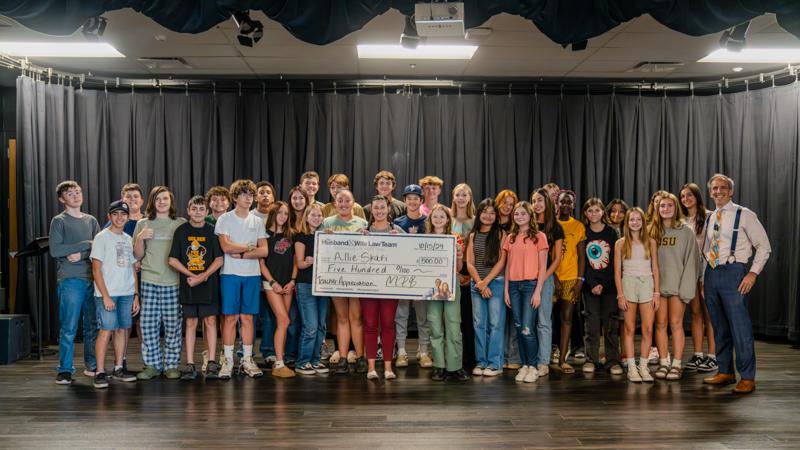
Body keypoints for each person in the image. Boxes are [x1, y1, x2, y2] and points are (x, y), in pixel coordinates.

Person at [702, 174, 771, 394]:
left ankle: (748, 377)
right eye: (714, 188)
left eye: (723, 188)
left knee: (740, 327)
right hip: (712, 273)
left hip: (734, 272)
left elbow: (764, 246)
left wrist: (752, 273)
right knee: (719, 326)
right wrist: (704, 278)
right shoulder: (711, 217)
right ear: (711, 192)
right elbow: (706, 249)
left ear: (730, 191)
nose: (718, 191)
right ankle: (725, 371)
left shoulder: (745, 214)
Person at [215, 179, 268, 379]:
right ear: (235, 197)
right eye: (244, 194)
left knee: (248, 318)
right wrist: (249, 246)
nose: (249, 198)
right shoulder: (225, 219)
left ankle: (247, 359)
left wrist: (243, 251)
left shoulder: (257, 221)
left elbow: (264, 250)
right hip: (230, 274)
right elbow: (226, 248)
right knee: (230, 318)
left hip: (252, 275)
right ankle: (228, 360)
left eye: (251, 195)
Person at [133, 186, 187, 381]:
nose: (162, 202)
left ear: (171, 201)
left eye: (165, 199)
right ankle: (152, 365)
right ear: (152, 202)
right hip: (149, 279)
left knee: (173, 325)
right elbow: (137, 255)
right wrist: (140, 238)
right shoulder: (143, 224)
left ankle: (172, 365)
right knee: (148, 325)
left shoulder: (180, 223)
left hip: (173, 280)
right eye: (158, 199)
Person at [168, 196, 224, 380]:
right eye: (195, 209)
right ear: (189, 210)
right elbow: (172, 259)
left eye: (202, 209)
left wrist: (203, 276)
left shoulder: (212, 231)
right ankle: (190, 364)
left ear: (207, 212)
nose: (198, 212)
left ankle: (212, 363)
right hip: (189, 284)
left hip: (208, 285)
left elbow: (219, 259)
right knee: (191, 323)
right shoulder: (181, 231)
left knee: (210, 322)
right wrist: (191, 275)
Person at [50, 181, 101, 385]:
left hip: (94, 278)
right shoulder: (59, 221)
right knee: (69, 327)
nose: (76, 195)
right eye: (70, 194)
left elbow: (100, 247)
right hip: (71, 280)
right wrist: (86, 244)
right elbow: (55, 250)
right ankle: (65, 370)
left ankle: (91, 364)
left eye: (78, 191)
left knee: (92, 325)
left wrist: (81, 252)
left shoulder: (91, 220)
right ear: (63, 199)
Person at [648, 192, 701, 381]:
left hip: (677, 287)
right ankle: (664, 362)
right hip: (656, 289)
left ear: (676, 207)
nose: (666, 209)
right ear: (657, 208)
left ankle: (677, 364)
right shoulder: (650, 231)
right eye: (662, 206)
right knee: (660, 325)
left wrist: (685, 289)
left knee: (676, 324)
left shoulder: (685, 232)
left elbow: (692, 262)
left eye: (670, 205)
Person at [89, 200, 139, 388]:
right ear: (109, 216)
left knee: (122, 329)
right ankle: (100, 371)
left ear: (127, 217)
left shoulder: (127, 238)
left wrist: (136, 294)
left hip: (126, 292)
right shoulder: (102, 237)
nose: (120, 217)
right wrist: (106, 296)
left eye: (123, 214)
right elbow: (96, 270)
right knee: (106, 330)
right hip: (107, 294)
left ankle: (119, 368)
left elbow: (132, 268)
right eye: (115, 214)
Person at [321, 189, 370, 374]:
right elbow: (320, 250)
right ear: (335, 203)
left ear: (353, 203)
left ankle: (360, 356)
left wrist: (367, 239)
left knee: (356, 318)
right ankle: (342, 357)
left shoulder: (362, 223)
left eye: (346, 200)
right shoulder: (326, 223)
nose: (343, 203)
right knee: (342, 318)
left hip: (357, 277)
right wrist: (324, 238)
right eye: (339, 200)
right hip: (336, 277)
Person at [503, 202, 548, 383]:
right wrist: (506, 289)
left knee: (528, 329)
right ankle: (524, 365)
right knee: (519, 327)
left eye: (523, 214)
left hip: (530, 286)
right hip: (514, 286)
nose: (519, 217)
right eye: (517, 214)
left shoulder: (539, 237)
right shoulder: (510, 238)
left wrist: (538, 291)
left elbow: (543, 267)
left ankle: (533, 366)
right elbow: (507, 266)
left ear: (530, 216)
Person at [360, 195, 404, 380]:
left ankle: (387, 367)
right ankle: (371, 367)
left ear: (388, 210)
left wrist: (400, 241)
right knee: (370, 325)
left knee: (387, 325)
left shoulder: (398, 230)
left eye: (382, 208)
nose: (379, 211)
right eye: (376, 208)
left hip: (389, 287)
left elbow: (410, 255)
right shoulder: (363, 231)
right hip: (368, 287)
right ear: (371, 210)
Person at [614, 207, 660, 382]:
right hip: (628, 283)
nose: (635, 222)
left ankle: (643, 366)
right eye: (631, 219)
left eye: (638, 219)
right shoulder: (620, 243)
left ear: (643, 221)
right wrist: (620, 294)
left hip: (647, 283)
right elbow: (617, 272)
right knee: (629, 328)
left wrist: (656, 292)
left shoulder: (651, 242)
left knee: (648, 328)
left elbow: (655, 268)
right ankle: (632, 367)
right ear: (627, 222)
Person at [425, 205, 468, 381]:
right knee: (434, 325)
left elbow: (458, 268)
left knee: (453, 324)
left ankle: (455, 366)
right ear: (430, 219)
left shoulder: (455, 238)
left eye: (442, 216)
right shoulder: (424, 239)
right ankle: (439, 365)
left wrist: (458, 255)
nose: (439, 219)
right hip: (431, 286)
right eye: (435, 216)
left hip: (451, 285)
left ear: (448, 219)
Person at [393, 184, 433, 368]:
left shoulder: (428, 222)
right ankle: (401, 351)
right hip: (402, 277)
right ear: (405, 200)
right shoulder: (398, 223)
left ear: (421, 200)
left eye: (416, 198)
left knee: (423, 317)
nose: (412, 201)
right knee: (401, 315)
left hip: (422, 278)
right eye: (409, 198)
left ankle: (423, 351)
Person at [580, 198, 622, 375]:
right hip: (590, 287)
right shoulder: (584, 232)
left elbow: (615, 261)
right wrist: (593, 284)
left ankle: (613, 361)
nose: (594, 214)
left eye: (597, 210)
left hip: (610, 286)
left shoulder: (612, 233)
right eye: (590, 211)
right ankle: (591, 359)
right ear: (585, 214)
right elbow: (583, 262)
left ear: (603, 212)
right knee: (592, 324)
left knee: (611, 325)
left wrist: (603, 284)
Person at [680, 182, 718, 373]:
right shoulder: (682, 220)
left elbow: (715, 245)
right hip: (689, 268)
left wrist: (709, 269)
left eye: (689, 195)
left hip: (706, 267)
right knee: (695, 312)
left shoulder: (710, 216)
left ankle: (713, 356)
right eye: (683, 196)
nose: (686, 199)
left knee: (709, 312)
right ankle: (698, 354)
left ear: (697, 197)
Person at [466, 199, 507, 377]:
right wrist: (479, 283)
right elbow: (469, 263)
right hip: (477, 285)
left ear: (496, 216)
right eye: (485, 212)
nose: (488, 216)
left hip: (496, 283)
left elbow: (501, 262)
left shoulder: (501, 234)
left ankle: (494, 363)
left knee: (495, 324)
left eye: (492, 213)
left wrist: (486, 283)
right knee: (479, 325)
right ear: (479, 213)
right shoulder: (473, 235)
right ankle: (481, 362)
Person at [259, 202, 299, 378]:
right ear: (273, 214)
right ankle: (279, 362)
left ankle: (279, 359)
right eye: (280, 213)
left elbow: (297, 260)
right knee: (283, 320)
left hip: (288, 284)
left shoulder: (292, 234)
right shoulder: (264, 235)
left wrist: (292, 281)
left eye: (286, 213)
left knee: (285, 321)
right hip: (271, 283)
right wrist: (272, 282)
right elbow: (261, 263)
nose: (283, 216)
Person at [293, 203, 330, 376]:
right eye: (313, 215)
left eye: (319, 215)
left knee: (321, 326)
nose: (316, 218)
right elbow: (299, 263)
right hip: (306, 284)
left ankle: (315, 360)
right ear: (306, 217)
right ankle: (302, 361)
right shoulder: (301, 237)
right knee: (311, 326)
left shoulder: (325, 236)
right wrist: (307, 261)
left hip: (323, 285)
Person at [531, 188, 563, 377]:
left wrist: (543, 278)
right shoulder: (526, 224)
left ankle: (543, 361)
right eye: (534, 201)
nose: (537, 204)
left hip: (546, 277)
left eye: (540, 200)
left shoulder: (555, 227)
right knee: (528, 320)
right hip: (526, 277)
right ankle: (529, 359)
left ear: (547, 203)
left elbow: (557, 258)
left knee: (544, 321)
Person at [554, 190, 586, 373]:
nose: (565, 205)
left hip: (571, 278)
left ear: (573, 205)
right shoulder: (551, 224)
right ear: (556, 203)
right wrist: (554, 277)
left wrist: (580, 280)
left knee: (567, 319)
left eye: (569, 202)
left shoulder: (579, 226)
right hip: (551, 277)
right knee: (546, 320)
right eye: (562, 202)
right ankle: (544, 357)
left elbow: (581, 256)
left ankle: (563, 359)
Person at [451, 183, 476, 370]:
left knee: (468, 319)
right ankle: (454, 358)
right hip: (450, 276)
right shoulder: (447, 219)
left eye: (464, 195)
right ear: (453, 197)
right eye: (458, 194)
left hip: (471, 274)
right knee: (453, 321)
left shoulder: (475, 221)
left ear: (469, 198)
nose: (461, 198)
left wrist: (468, 274)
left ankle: (470, 357)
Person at [494, 190, 520, 369]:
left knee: (513, 316)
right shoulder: (489, 221)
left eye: (511, 204)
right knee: (498, 318)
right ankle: (500, 355)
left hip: (513, 273)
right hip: (494, 274)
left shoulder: (516, 226)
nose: (507, 207)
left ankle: (513, 357)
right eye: (505, 202)